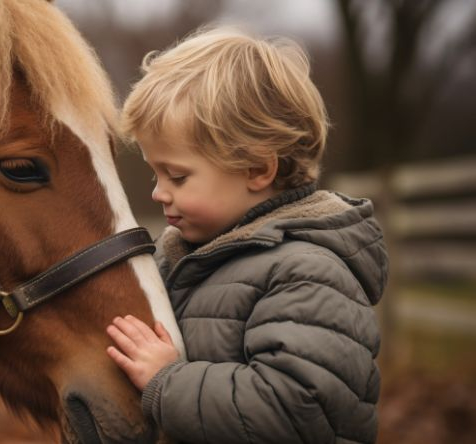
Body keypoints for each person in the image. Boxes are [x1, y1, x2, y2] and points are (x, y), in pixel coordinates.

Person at [106, 26, 387, 444]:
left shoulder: (308, 273)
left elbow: (295, 412)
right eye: (155, 172)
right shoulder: (186, 257)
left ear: (257, 169)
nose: (157, 192)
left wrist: (167, 381)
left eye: (178, 176)